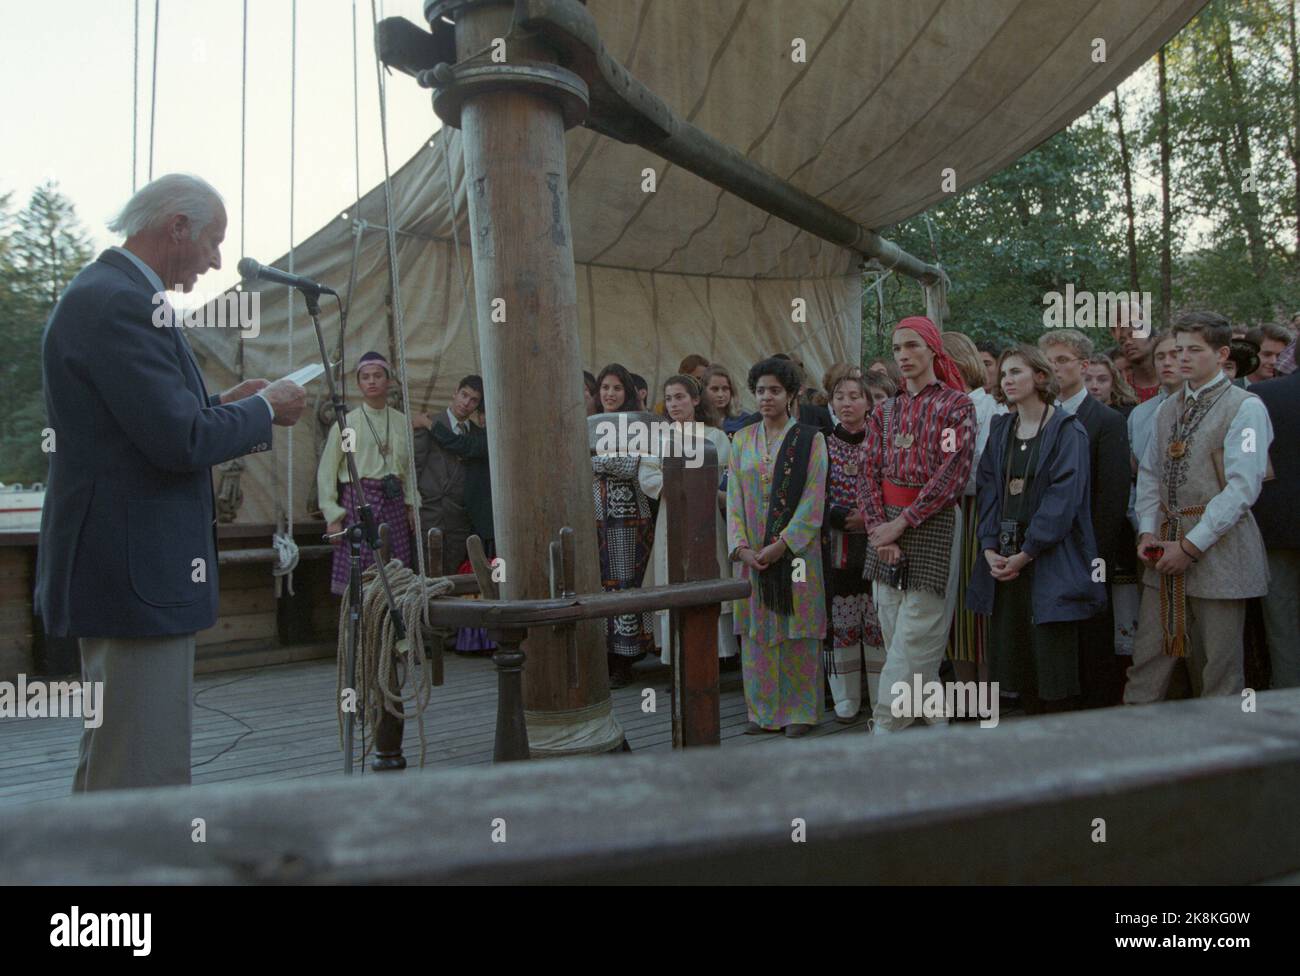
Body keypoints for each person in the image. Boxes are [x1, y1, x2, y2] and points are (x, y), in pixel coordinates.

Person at [36, 173, 307, 791]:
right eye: (213, 242)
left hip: (127, 571)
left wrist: (223, 401)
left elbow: (143, 421)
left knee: (117, 756)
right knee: (143, 773)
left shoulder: (110, 294)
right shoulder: (122, 303)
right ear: (176, 227)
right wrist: (265, 410)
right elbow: (177, 441)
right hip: (135, 575)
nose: (216, 261)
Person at [1125, 312, 1273, 703]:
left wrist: (1190, 547)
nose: (1182, 358)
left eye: (1194, 350)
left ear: (1222, 353)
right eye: (1177, 349)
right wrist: (1147, 531)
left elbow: (1242, 488)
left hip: (1221, 551)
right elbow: (1150, 476)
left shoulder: (1246, 408)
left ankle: (1224, 760)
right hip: (1164, 548)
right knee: (1147, 662)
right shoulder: (1166, 408)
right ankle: (1133, 752)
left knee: (1219, 669)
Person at [967, 345, 1104, 713]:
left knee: (1052, 663)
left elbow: (1064, 499)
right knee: (1016, 664)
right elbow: (989, 490)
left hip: (1048, 560)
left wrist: (1027, 553)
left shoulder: (1066, 429)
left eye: (1017, 372)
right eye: (1005, 373)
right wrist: (990, 546)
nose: (1007, 379)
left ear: (1040, 377)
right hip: (1006, 561)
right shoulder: (1000, 428)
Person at [860, 317, 974, 734]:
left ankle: (883, 732)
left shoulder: (954, 407)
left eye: (912, 346)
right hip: (884, 528)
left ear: (932, 350)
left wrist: (902, 524)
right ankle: (938, 729)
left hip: (932, 524)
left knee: (915, 638)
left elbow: (952, 473)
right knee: (896, 635)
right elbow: (867, 471)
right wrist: (878, 527)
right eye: (896, 349)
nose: (903, 356)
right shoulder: (885, 411)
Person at [727, 357, 828, 737]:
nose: (766, 397)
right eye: (760, 390)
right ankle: (763, 711)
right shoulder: (741, 440)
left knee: (798, 626)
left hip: (797, 555)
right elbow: (734, 498)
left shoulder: (810, 439)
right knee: (756, 630)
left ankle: (800, 711)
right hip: (753, 556)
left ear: (790, 394)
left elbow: (813, 499)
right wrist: (741, 548)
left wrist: (784, 544)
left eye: (774, 390)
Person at [1039, 329, 1132, 707]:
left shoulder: (1107, 421)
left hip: (1090, 549)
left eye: (1062, 359)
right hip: (1044, 548)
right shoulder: (1035, 417)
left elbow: (1112, 497)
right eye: (1047, 360)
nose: (1054, 368)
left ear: (1084, 365)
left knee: (1092, 635)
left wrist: (1095, 556)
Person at [650, 375, 736, 666]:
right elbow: (647, 474)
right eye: (670, 398)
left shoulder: (714, 436)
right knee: (672, 575)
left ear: (696, 400)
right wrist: (672, 487)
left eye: (681, 397)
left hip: (706, 517)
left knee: (709, 571)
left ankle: (715, 656)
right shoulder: (656, 436)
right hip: (670, 516)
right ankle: (677, 657)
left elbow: (723, 475)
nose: (674, 404)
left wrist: (694, 484)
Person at [319, 352, 419, 595]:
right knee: (360, 576)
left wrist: (412, 505)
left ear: (388, 380)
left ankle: (392, 629)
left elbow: (408, 470)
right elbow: (327, 471)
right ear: (359, 384)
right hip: (359, 502)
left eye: (377, 376)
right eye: (365, 377)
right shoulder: (347, 423)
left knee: (397, 572)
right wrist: (332, 516)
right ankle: (360, 629)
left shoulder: (400, 421)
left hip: (394, 503)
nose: (371, 381)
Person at [942, 331, 1006, 682]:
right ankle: (964, 689)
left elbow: (979, 472)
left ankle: (985, 692)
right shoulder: (942, 405)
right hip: (948, 514)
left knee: (976, 605)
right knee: (952, 609)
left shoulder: (987, 408)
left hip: (977, 514)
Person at [591, 363, 660, 685]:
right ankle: (602, 654)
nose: (610, 394)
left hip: (630, 516)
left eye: (617, 388)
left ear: (628, 392)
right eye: (605, 387)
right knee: (598, 582)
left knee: (625, 582)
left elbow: (633, 465)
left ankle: (625, 658)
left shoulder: (640, 424)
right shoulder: (589, 423)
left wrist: (593, 459)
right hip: (595, 513)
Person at [821, 371, 882, 721]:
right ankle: (845, 697)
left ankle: (879, 693)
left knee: (877, 615)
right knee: (841, 618)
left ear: (868, 402)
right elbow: (813, 493)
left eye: (855, 396)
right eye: (840, 396)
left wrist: (870, 518)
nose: (847, 402)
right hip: (837, 541)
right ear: (831, 403)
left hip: (878, 540)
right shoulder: (822, 444)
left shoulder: (882, 441)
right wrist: (843, 517)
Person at [1251, 366, 1300, 688]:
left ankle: (1288, 703)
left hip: (1275, 529)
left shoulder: (1263, 396)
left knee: (1282, 625)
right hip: (1275, 531)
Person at [409, 375, 482, 578]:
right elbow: (413, 467)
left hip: (459, 520)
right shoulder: (429, 423)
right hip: (429, 512)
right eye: (464, 395)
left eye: (473, 400)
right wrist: (411, 506)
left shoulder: (476, 435)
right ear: (455, 393)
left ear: (477, 406)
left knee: (453, 580)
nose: (466, 403)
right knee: (425, 579)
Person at [1109, 301, 1160, 402]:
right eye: (1122, 341)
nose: (1127, 343)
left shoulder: (1175, 377)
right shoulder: (1120, 388)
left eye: (1133, 335)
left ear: (1153, 338)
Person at [703, 364, 750, 435]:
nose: (720, 395)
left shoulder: (744, 420)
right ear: (704, 391)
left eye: (725, 389)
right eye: (715, 389)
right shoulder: (694, 420)